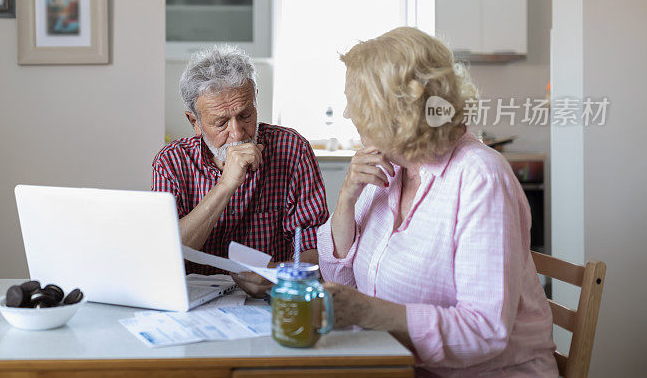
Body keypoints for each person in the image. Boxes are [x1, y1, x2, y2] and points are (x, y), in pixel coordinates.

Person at [318, 27, 558, 377]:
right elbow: (340, 278)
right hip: (397, 364)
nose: (347, 114)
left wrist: (367, 312)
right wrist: (345, 198)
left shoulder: (480, 178)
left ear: (393, 115)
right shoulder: (388, 165)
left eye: (356, 103)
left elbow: (484, 331)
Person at [153, 45, 329, 296]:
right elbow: (164, 253)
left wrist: (279, 274)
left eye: (245, 114)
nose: (237, 134)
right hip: (192, 301)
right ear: (195, 122)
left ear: (255, 101)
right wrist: (226, 185)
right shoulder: (171, 162)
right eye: (221, 122)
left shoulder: (292, 149)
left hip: (272, 296)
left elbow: (313, 244)